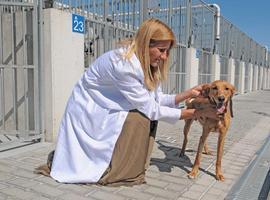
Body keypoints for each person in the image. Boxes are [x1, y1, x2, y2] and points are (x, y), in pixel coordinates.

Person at [36, 18, 219, 186]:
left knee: (142, 116)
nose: (164, 57)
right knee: (139, 118)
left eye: (167, 51)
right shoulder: (125, 65)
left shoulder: (148, 65)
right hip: (91, 109)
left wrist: (188, 94)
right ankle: (117, 169)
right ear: (146, 44)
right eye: (161, 50)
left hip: (110, 104)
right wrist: (199, 113)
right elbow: (151, 109)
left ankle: (126, 165)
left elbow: (157, 100)